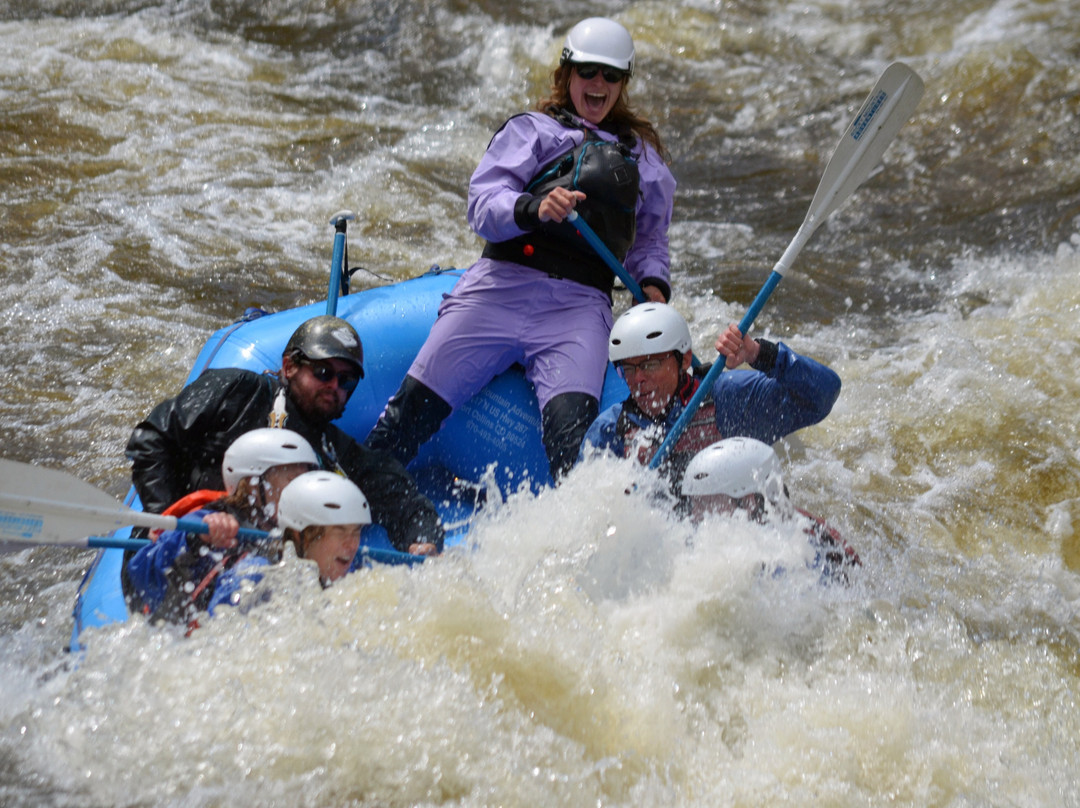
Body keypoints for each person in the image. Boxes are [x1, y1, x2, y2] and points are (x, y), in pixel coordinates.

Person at [365, 17, 677, 482]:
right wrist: (534, 208)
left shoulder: (643, 158)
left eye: (610, 76)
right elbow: (483, 205)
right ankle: (350, 501)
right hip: (500, 288)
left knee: (573, 448)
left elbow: (649, 239)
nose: (598, 84)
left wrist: (651, 284)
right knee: (409, 414)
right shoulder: (533, 131)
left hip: (578, 307)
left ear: (622, 84)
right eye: (588, 72)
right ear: (568, 74)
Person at [124, 314, 443, 557]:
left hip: (244, 563)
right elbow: (151, 440)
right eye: (323, 373)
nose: (334, 386)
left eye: (346, 381)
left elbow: (404, 501)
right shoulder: (237, 390)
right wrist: (165, 517)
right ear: (289, 366)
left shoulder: (336, 454)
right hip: (176, 540)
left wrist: (423, 541)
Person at [581, 302, 842, 491]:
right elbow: (587, 507)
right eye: (629, 368)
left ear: (683, 359)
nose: (638, 378)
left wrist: (759, 354)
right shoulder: (610, 429)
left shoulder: (728, 399)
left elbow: (822, 395)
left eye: (650, 365)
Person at [125, 428, 320, 625]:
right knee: (254, 570)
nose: (302, 491)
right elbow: (141, 572)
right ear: (253, 485)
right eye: (292, 481)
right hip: (205, 632)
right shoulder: (207, 520)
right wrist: (196, 540)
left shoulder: (302, 530)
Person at [681, 437, 860, 583]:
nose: (694, 516)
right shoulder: (782, 520)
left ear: (749, 503)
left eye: (707, 505)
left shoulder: (790, 561)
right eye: (694, 504)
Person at [207, 471, 373, 615]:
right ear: (301, 536)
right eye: (340, 532)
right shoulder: (252, 576)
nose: (352, 545)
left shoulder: (358, 580)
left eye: (356, 532)